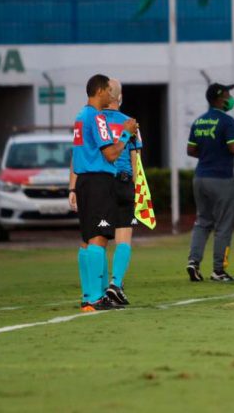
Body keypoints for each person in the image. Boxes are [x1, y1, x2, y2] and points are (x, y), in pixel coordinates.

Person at [69, 74, 138, 312]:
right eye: (109, 90)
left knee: (87, 239)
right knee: (99, 237)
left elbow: (76, 155)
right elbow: (111, 154)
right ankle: (97, 298)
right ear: (100, 91)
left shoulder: (80, 116)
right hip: (99, 182)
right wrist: (126, 134)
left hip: (84, 181)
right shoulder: (97, 117)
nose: (112, 94)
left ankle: (88, 296)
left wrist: (72, 186)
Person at [185, 83, 234, 282]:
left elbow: (191, 151)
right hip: (221, 179)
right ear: (220, 98)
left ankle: (193, 261)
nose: (230, 97)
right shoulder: (227, 121)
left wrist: (209, 153)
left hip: (200, 177)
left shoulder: (199, 121)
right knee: (224, 225)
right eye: (228, 94)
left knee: (202, 222)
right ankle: (219, 270)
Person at [102, 78, 142, 305]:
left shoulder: (94, 120)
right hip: (124, 183)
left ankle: (97, 289)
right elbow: (136, 159)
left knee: (98, 238)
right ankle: (116, 284)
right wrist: (136, 189)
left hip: (101, 184)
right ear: (119, 96)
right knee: (123, 238)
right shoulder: (130, 122)